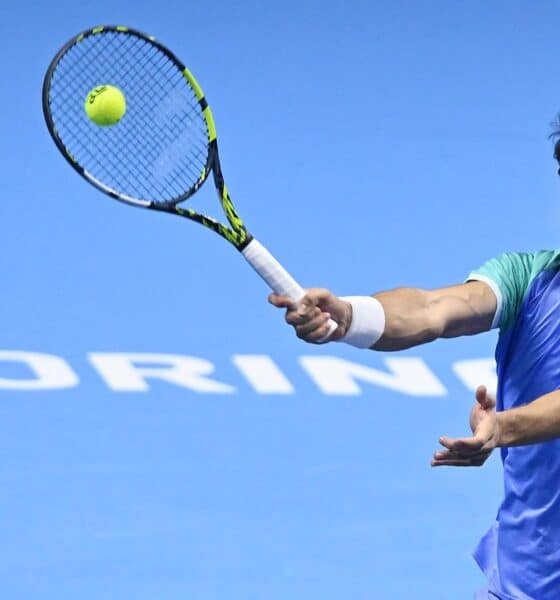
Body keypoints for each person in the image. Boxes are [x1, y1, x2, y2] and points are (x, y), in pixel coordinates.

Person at [268, 137, 560, 600]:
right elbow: (432, 308)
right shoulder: (528, 279)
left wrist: (504, 426)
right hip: (526, 582)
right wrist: (349, 315)